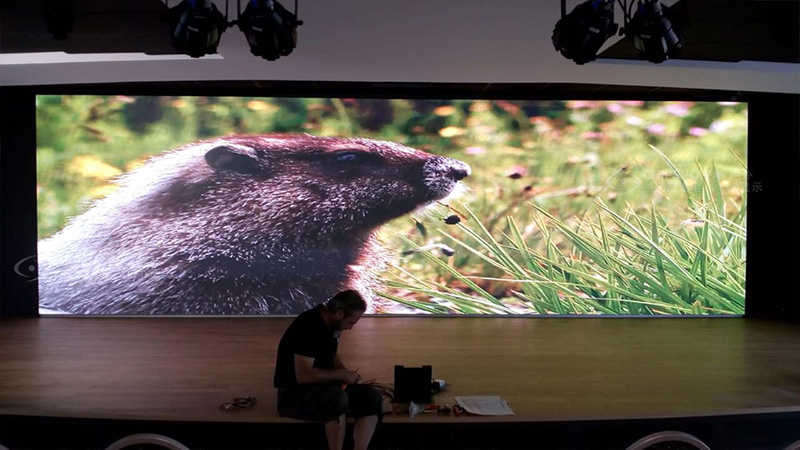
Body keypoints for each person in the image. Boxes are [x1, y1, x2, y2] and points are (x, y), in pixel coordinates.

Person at [274, 290, 383, 450]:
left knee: (372, 397)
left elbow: (331, 354)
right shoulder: (308, 326)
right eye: (351, 322)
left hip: (322, 388)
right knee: (337, 400)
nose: (351, 328)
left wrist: (347, 374)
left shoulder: (332, 326)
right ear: (340, 313)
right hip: (292, 395)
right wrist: (340, 374)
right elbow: (303, 375)